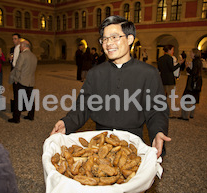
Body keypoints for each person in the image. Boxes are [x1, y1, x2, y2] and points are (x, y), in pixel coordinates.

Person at [51, 15, 171, 158]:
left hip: (133, 144)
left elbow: (157, 110)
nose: (108, 43)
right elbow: (83, 107)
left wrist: (158, 131)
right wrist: (66, 123)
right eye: (105, 39)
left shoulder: (149, 73)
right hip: (99, 144)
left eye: (115, 37)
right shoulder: (95, 73)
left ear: (130, 39)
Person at [8, 40, 37, 123]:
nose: (20, 48)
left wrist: (16, 80)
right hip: (30, 81)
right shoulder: (34, 56)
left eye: (20, 46)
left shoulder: (22, 55)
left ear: (24, 46)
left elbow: (18, 69)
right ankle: (31, 115)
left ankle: (16, 118)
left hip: (22, 81)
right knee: (30, 99)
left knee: (18, 100)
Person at [157, 44, 182, 118]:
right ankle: (169, 113)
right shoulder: (169, 58)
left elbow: (159, 69)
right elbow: (172, 69)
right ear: (169, 50)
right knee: (170, 98)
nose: (173, 51)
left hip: (162, 79)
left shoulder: (160, 58)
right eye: (173, 50)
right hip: (170, 80)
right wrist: (179, 64)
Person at [178, 48, 202, 120]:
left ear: (194, 53)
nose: (190, 54)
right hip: (197, 82)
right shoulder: (198, 61)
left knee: (187, 98)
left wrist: (187, 67)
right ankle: (191, 114)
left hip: (192, 82)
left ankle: (185, 116)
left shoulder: (195, 62)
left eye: (191, 52)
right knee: (193, 98)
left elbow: (193, 73)